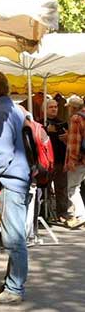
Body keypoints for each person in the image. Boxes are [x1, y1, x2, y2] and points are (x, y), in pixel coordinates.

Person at [0, 71, 31, 304]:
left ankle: (15, 289)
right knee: (16, 234)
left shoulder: (1, 113)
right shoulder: (15, 109)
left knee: (14, 237)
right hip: (22, 175)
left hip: (13, 179)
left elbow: (2, 152)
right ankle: (12, 282)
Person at [44, 98, 69, 223]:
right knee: (45, 189)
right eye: (51, 107)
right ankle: (45, 213)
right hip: (47, 161)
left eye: (55, 107)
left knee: (62, 188)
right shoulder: (41, 123)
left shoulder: (63, 123)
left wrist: (67, 137)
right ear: (45, 109)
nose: (54, 109)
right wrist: (47, 132)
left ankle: (62, 213)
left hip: (60, 160)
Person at [63, 95, 85, 228]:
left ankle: (81, 215)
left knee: (72, 188)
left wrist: (72, 160)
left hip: (79, 160)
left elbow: (75, 142)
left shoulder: (76, 118)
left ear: (72, 107)